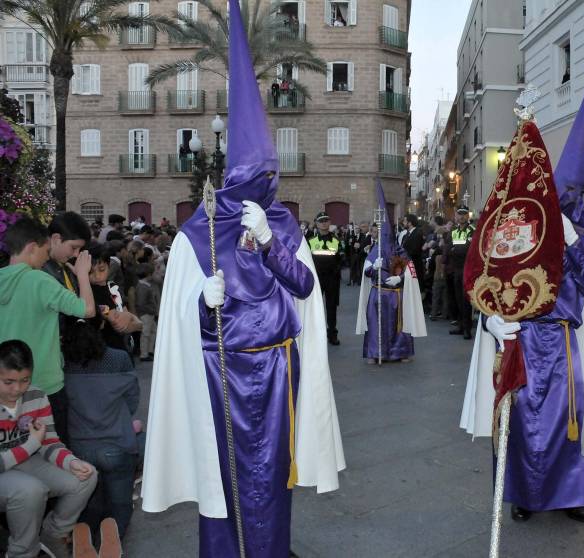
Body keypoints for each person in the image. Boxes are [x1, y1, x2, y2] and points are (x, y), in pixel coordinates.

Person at [142, 4, 345, 556]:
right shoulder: (197, 231)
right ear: (232, 176)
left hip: (279, 366)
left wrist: (272, 243)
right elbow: (175, 320)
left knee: (274, 473)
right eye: (253, 177)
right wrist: (195, 301)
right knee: (223, 473)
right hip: (221, 370)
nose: (264, 185)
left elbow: (305, 288)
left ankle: (272, 546)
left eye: (269, 176)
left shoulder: (282, 223)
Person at [461, 42, 584, 524]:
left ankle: (570, 496)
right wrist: (489, 320)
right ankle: (522, 497)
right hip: (520, 338)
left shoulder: (581, 236)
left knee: (565, 420)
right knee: (519, 421)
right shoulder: (519, 222)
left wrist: (574, 241)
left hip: (564, 340)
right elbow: (491, 274)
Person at [0, 217, 96, 445]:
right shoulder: (40, 280)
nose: (46, 257)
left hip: (6, 385)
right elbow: (87, 310)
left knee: (14, 450)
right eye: (44, 250)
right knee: (53, 449)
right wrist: (83, 274)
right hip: (45, 384)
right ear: (32, 247)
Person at [0, 340, 97, 558]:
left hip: (25, 463)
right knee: (30, 490)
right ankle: (22, 552)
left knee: (87, 476)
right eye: (8, 382)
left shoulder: (36, 395)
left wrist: (71, 462)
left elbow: (50, 442)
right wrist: (32, 444)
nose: (17, 389)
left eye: (24, 380)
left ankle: (53, 534)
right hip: (9, 469)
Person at [62, 319, 140, 539]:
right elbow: (133, 400)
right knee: (120, 507)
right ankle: (112, 547)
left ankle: (86, 546)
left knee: (89, 508)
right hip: (117, 443)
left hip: (79, 449)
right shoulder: (119, 359)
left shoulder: (64, 365)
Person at [355, 183, 426, 364]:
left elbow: (410, 270)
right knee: (375, 325)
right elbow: (366, 272)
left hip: (395, 294)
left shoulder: (399, 250)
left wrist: (399, 278)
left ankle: (399, 352)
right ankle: (374, 352)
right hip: (377, 292)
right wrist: (374, 267)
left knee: (398, 325)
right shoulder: (374, 250)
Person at [308, 212, 345, 345]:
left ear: (329, 223)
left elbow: (342, 258)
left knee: (331, 307)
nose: (324, 223)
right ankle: (314, 334)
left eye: (326, 220)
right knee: (314, 308)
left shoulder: (336, 240)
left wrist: (335, 270)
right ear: (316, 224)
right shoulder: (310, 240)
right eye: (321, 221)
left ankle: (332, 334)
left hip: (332, 279)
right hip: (316, 279)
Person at [448, 205, 475, 339]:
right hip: (456, 268)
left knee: (465, 300)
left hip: (467, 268)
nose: (462, 216)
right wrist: (454, 251)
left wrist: (455, 250)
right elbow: (448, 248)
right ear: (457, 216)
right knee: (458, 298)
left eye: (464, 214)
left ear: (467, 216)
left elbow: (468, 249)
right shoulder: (454, 230)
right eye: (460, 214)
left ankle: (467, 329)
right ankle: (460, 325)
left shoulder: (472, 230)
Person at [134, 264, 159, 362]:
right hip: (145, 314)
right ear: (148, 274)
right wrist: (150, 309)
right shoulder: (142, 287)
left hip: (149, 313)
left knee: (152, 331)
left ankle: (149, 351)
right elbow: (140, 303)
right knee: (145, 334)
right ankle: (144, 354)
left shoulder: (144, 285)